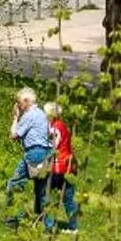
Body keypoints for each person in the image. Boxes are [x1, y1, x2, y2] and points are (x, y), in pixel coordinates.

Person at [2, 86, 55, 226]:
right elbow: (50, 134)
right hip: (47, 153)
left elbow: (13, 135)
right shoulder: (42, 114)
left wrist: (15, 118)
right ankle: (47, 224)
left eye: (19, 102)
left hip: (34, 153)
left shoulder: (29, 115)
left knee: (14, 184)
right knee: (41, 190)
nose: (18, 105)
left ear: (26, 101)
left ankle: (13, 218)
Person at [43, 99, 80, 232]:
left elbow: (53, 146)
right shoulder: (62, 125)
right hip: (68, 165)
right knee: (68, 198)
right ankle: (73, 227)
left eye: (45, 112)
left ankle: (48, 225)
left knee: (46, 195)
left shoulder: (55, 128)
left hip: (58, 167)